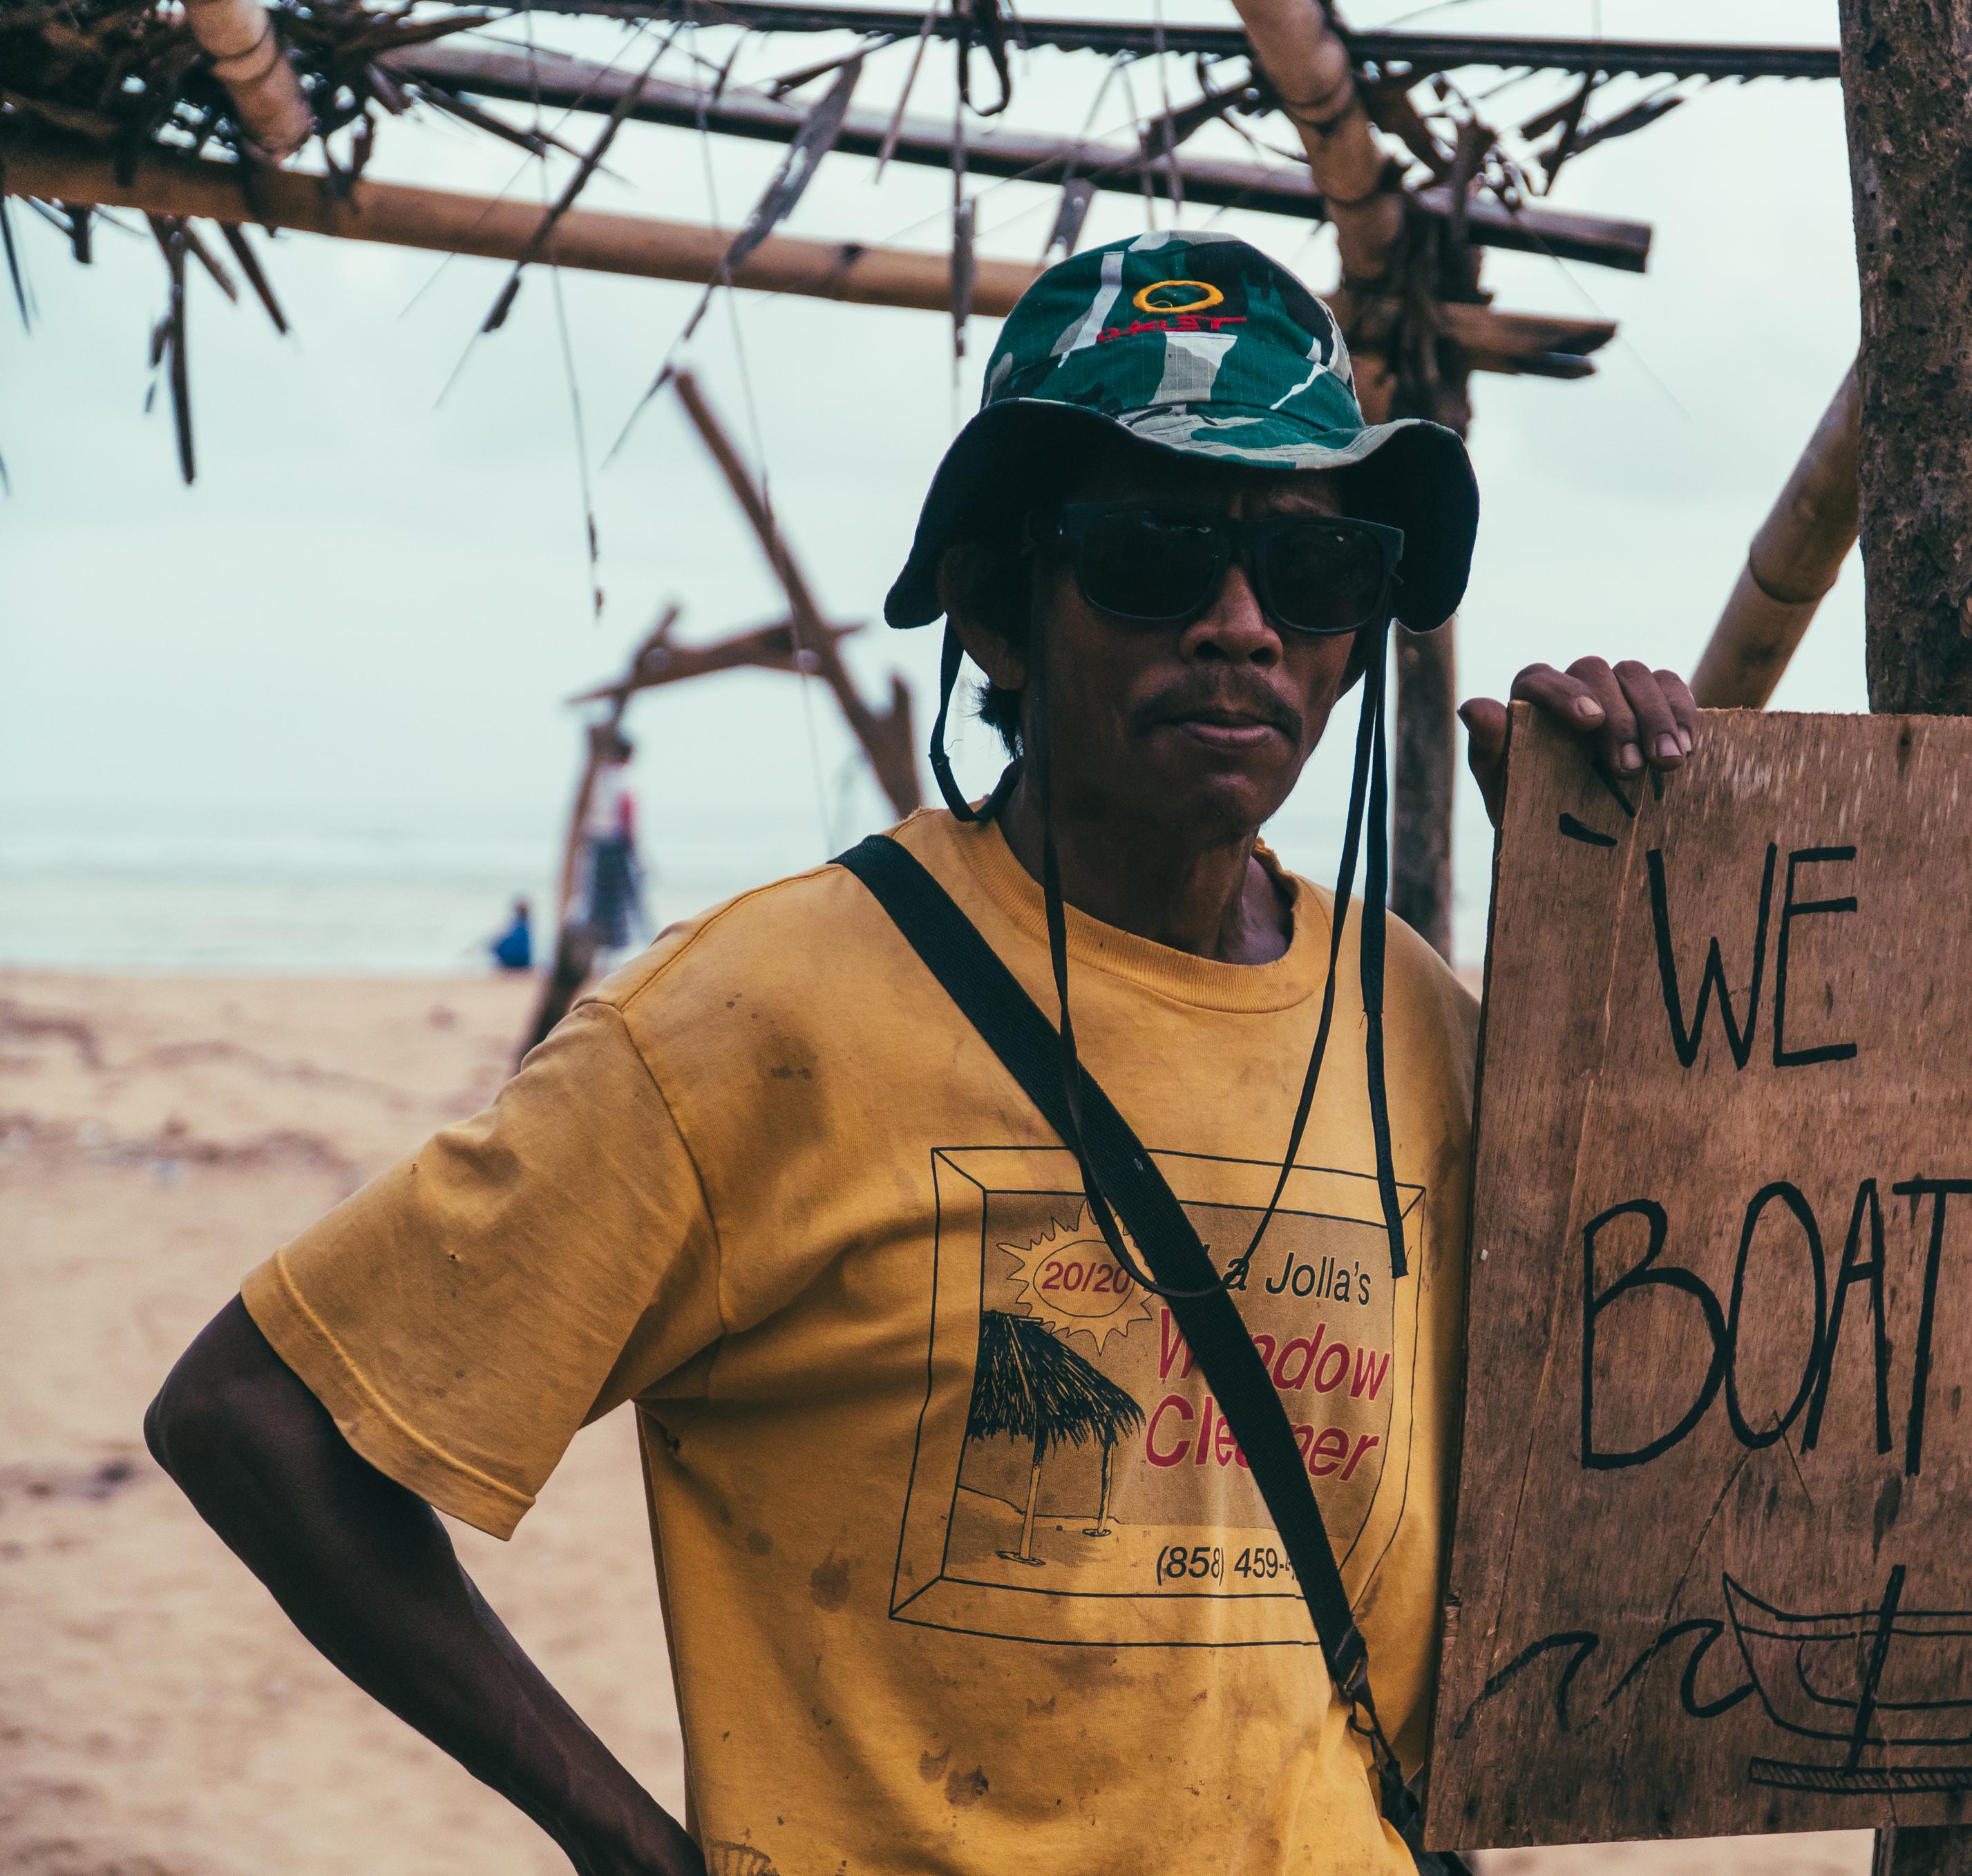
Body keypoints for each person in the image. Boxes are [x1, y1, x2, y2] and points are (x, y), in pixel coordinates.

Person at [142, 233, 1700, 1876]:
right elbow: (258, 1414)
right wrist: (630, 1848)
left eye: (1313, 574)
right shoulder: (766, 1017)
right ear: (995, 617)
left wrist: (1642, 917)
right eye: (1154, 553)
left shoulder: (1416, 1024)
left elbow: (1644, 1444)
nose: (1244, 623)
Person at [581, 737, 645, 960]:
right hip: (616, 845)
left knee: (598, 903)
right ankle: (622, 951)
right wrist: (636, 855)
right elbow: (628, 820)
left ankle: (601, 953)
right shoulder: (621, 782)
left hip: (596, 843)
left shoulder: (596, 779)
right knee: (622, 902)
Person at [488, 897, 535, 972]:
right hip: (523, 960)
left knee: (495, 946)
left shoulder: (520, 925)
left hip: (518, 960)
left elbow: (515, 941)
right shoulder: (524, 924)